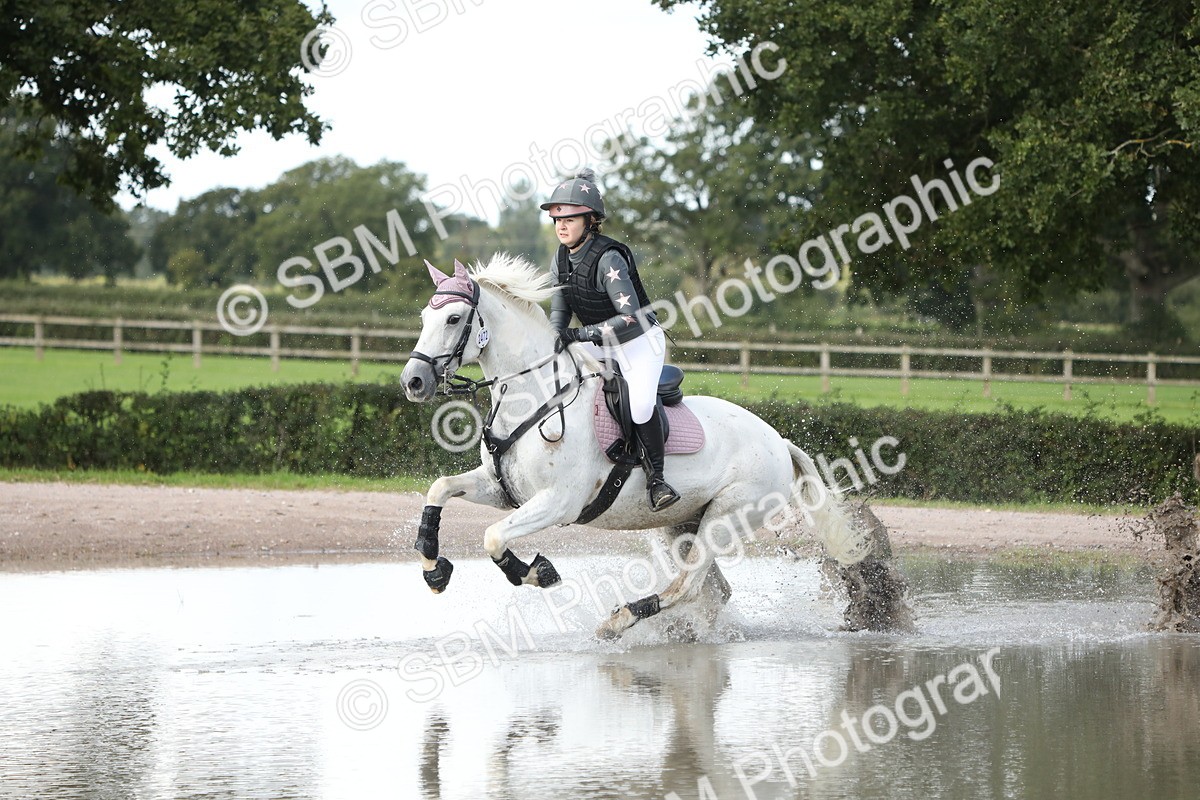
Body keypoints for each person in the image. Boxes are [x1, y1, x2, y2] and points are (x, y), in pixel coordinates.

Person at [541, 169, 680, 512]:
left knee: (639, 405)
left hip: (638, 342)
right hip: (599, 342)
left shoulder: (609, 258)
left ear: (590, 220)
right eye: (556, 217)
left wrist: (579, 334)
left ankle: (657, 479)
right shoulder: (560, 259)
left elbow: (629, 318)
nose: (561, 224)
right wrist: (554, 341)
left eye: (570, 217)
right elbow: (559, 318)